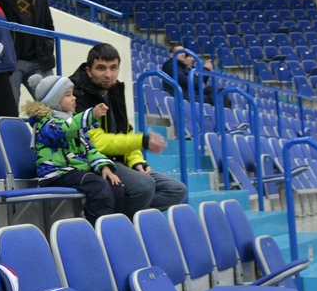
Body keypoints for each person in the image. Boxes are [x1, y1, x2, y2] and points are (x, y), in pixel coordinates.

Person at [71, 42, 187, 213]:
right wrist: (142, 141)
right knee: (144, 186)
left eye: (113, 68)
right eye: (101, 68)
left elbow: (126, 131)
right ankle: (115, 223)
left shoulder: (114, 90)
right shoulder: (76, 95)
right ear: (89, 71)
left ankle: (118, 215)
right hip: (93, 162)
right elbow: (96, 142)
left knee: (176, 190)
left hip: (117, 161)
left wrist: (136, 161)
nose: (108, 74)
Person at [24, 72, 127, 223]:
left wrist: (104, 167)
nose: (74, 98)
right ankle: (97, 228)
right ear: (54, 100)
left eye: (72, 94)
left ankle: (113, 227)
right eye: (68, 95)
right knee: (98, 186)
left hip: (73, 171)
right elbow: (63, 130)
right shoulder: (45, 124)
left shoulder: (73, 122)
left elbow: (88, 149)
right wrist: (91, 114)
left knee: (115, 185)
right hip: (56, 174)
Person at [162, 44, 228, 108]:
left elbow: (200, 83)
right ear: (171, 55)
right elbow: (188, 81)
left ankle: (221, 111)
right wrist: (205, 69)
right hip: (183, 95)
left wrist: (206, 71)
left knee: (221, 91)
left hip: (192, 92)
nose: (183, 54)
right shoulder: (170, 65)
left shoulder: (184, 67)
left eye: (184, 52)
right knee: (217, 98)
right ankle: (220, 112)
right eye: (179, 52)